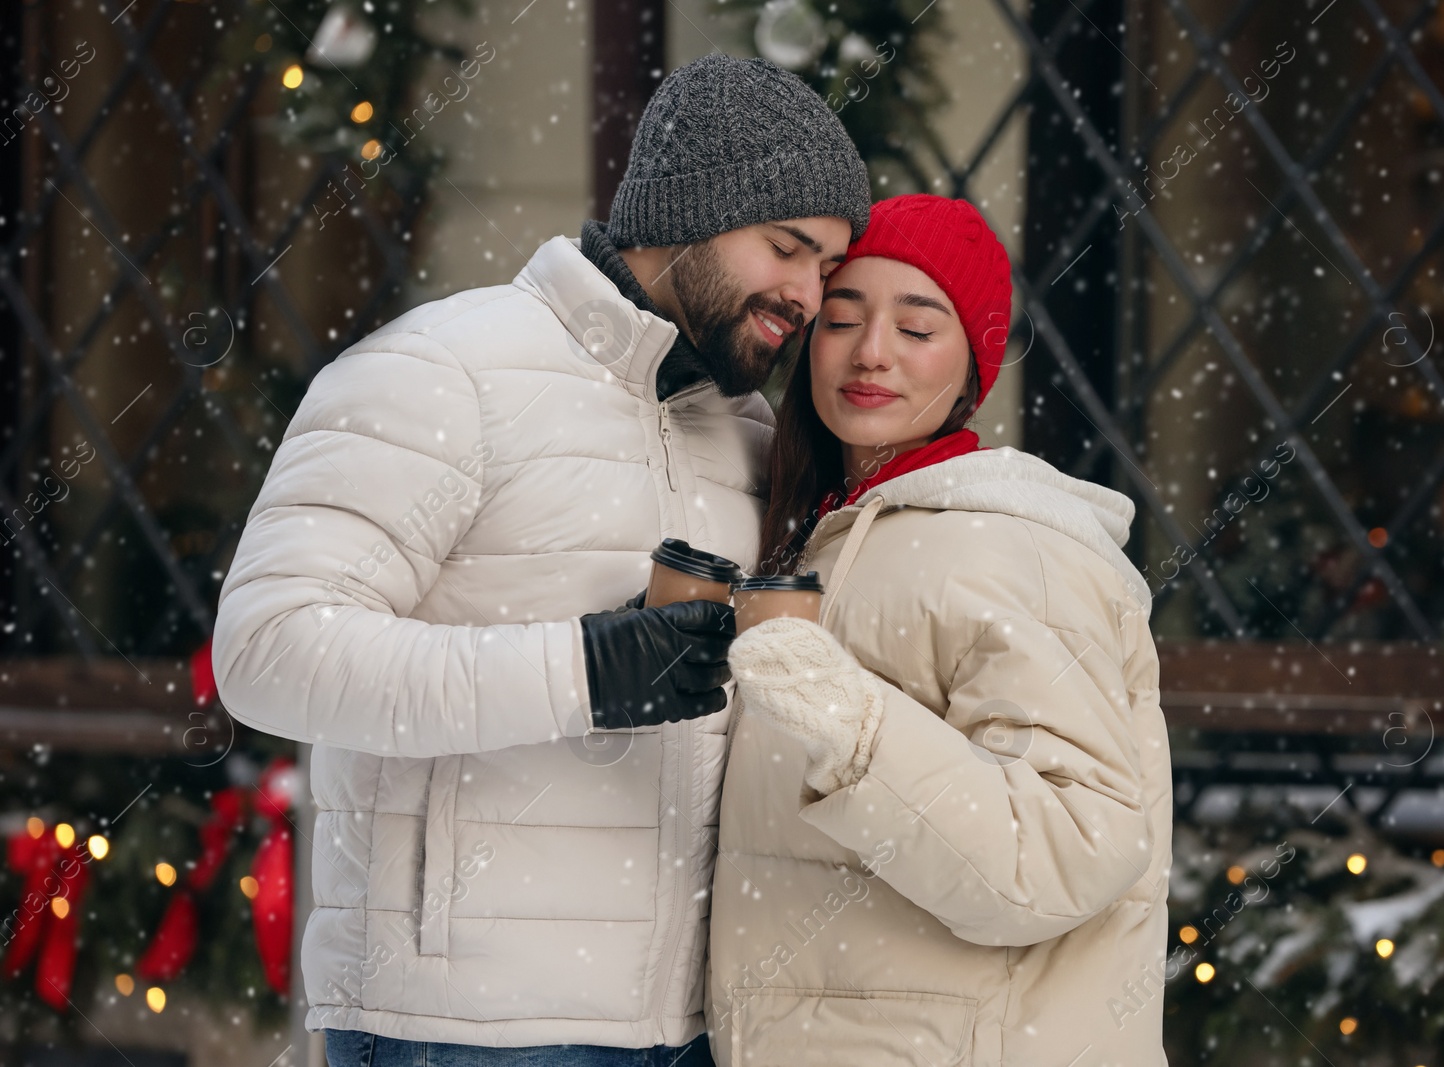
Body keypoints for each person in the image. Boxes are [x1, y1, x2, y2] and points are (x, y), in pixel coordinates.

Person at [210, 54, 870, 1066]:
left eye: (827, 265)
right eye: (787, 247)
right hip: (460, 1028)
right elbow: (270, 652)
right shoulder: (442, 371)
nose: (807, 293)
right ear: (688, 209)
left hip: (692, 1028)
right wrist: (580, 672)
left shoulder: (745, 433)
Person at [704, 194, 1173, 1066]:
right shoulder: (825, 529)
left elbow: (1072, 849)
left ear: (972, 366)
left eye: (917, 329)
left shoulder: (1012, 546)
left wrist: (856, 730)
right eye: (841, 318)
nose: (870, 352)